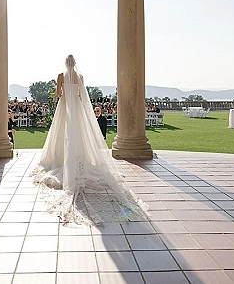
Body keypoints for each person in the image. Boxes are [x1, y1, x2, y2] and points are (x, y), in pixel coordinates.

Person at [30, 54, 147, 225]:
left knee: (62, 132)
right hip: (76, 106)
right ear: (75, 64)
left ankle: (60, 158)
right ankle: (79, 157)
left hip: (64, 106)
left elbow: (58, 93)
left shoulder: (61, 76)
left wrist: (64, 93)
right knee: (78, 133)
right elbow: (80, 94)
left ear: (65, 64)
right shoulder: (80, 77)